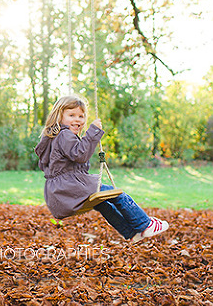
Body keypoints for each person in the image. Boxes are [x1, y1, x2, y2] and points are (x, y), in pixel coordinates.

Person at [35, 95, 168, 243]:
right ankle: (145, 225)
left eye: (81, 116)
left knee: (103, 203)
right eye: (71, 115)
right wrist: (93, 132)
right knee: (118, 195)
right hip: (71, 188)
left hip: (59, 194)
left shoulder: (55, 137)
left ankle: (130, 233)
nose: (77, 119)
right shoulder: (65, 135)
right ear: (59, 116)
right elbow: (80, 155)